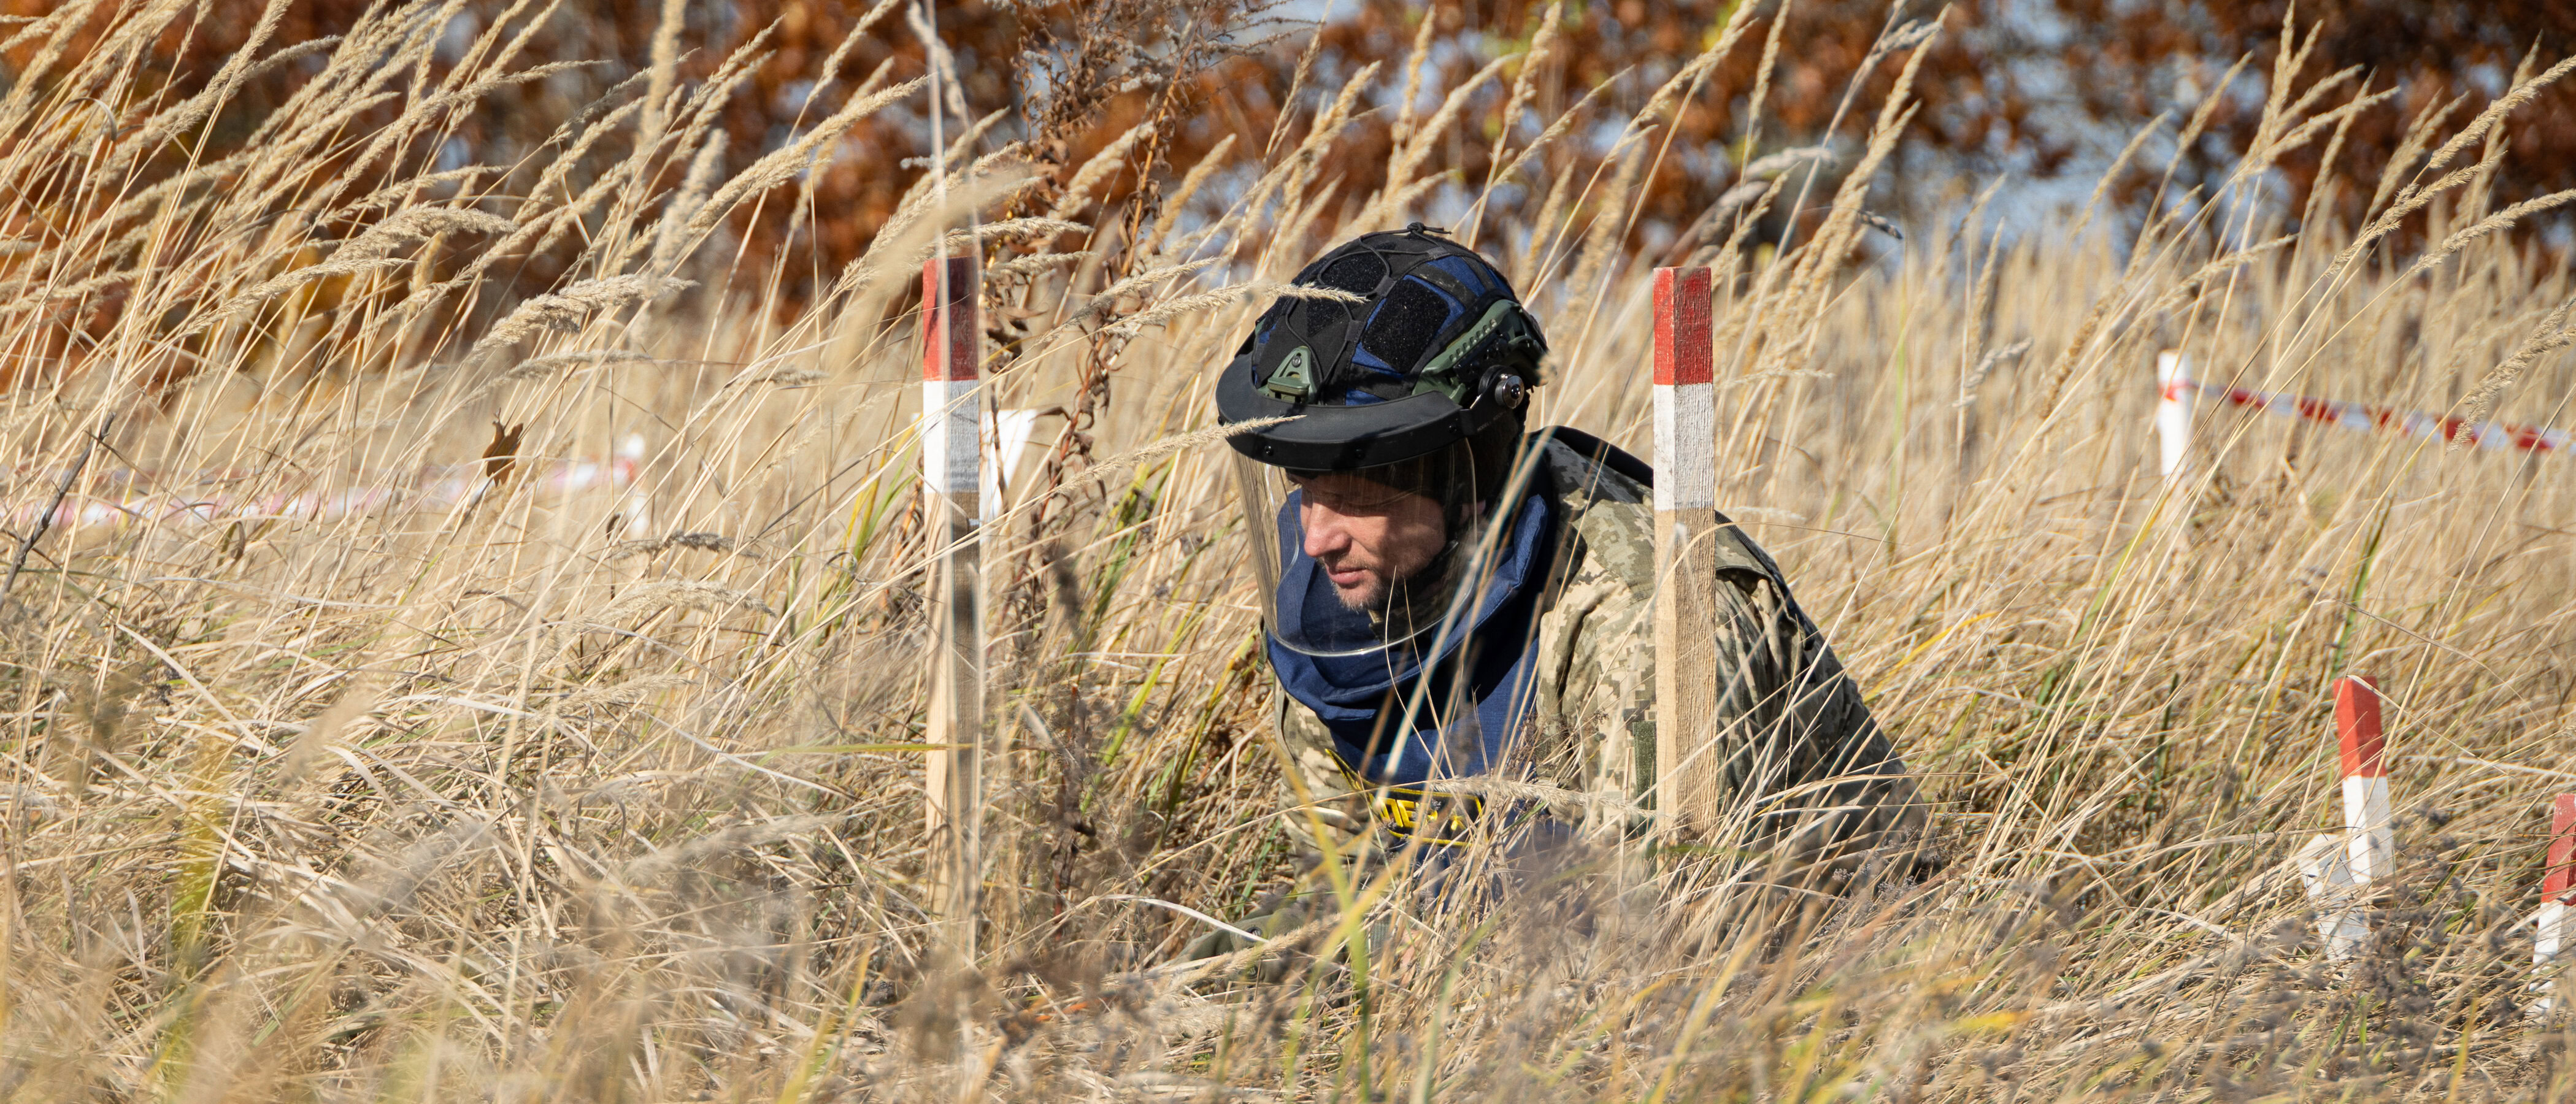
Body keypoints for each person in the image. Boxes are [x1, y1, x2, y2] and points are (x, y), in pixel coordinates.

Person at [1190, 226, 1925, 959]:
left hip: (1821, 989)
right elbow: (1342, 895)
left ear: (1465, 469)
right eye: (1299, 485)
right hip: (1477, 973)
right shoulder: (1334, 596)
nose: (1314, 538)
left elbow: (1655, 964)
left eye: (1353, 491)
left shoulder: (1647, 619)